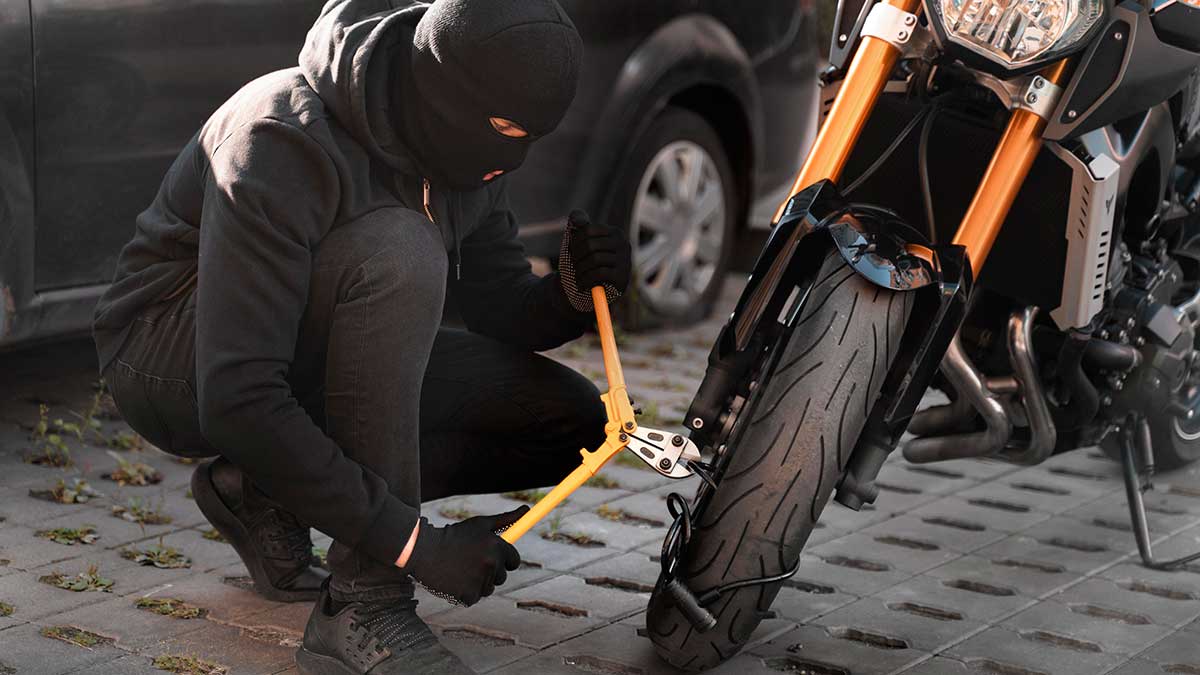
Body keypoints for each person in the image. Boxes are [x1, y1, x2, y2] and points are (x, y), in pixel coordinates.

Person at [91, 0, 632, 672]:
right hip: (170, 354)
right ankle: (364, 601)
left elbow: (499, 306)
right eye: (505, 128)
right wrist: (414, 545)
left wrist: (573, 294)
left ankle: (264, 486)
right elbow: (236, 393)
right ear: (444, 93)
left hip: (304, 354)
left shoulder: (463, 150)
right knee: (400, 250)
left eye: (534, 136)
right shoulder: (280, 139)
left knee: (571, 423)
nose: (514, 157)